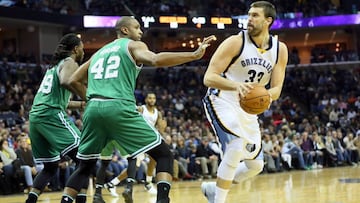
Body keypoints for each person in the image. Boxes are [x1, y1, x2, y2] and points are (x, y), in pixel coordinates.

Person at [61, 16, 215, 203]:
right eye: (137, 27)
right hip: (118, 106)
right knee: (164, 155)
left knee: (84, 167)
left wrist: (92, 98)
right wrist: (193, 55)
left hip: (93, 109)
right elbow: (156, 59)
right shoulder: (133, 45)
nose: (141, 31)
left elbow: (71, 80)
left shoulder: (99, 53)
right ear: (125, 30)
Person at [200, 1, 288, 203]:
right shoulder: (235, 42)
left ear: (268, 21)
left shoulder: (280, 50)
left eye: (255, 15)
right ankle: (219, 200)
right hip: (222, 98)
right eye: (249, 15)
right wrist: (236, 86)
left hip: (248, 108)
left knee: (256, 166)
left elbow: (276, 89)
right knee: (235, 145)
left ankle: (214, 189)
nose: (249, 19)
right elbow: (209, 77)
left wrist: (265, 95)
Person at [25, 33, 88, 203]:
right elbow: (67, 81)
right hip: (50, 114)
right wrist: (87, 97)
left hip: (37, 117)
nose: (83, 52)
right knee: (85, 159)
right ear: (76, 49)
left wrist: (82, 105)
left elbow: (63, 101)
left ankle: (30, 201)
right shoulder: (69, 62)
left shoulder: (54, 67)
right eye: (82, 48)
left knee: (50, 166)